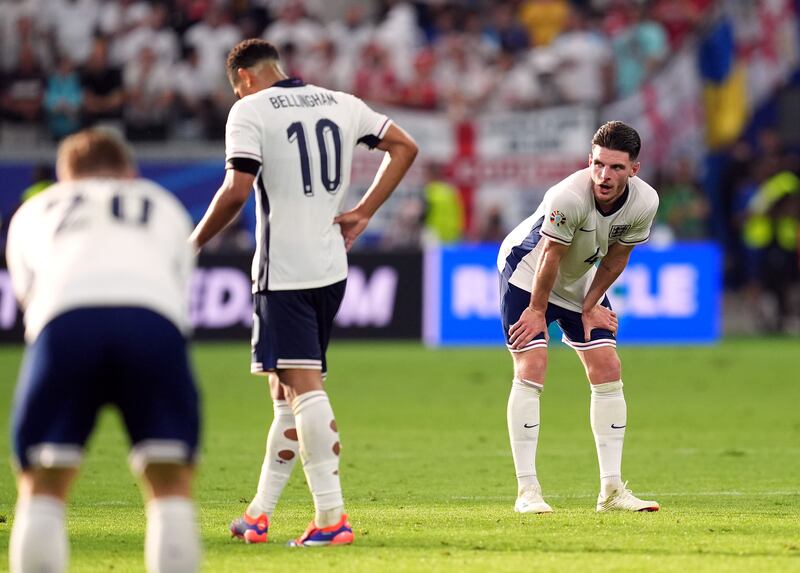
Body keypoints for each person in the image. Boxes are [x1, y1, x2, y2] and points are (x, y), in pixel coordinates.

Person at [190, 39, 418, 546]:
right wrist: (364, 211)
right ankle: (259, 513)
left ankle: (332, 518)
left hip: (283, 273)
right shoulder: (340, 101)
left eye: (235, 88)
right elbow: (405, 146)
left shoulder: (249, 110)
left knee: (305, 391)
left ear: (244, 78)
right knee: (284, 396)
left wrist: (192, 245)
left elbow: (235, 191)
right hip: (330, 267)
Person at [6, 128, 200, 572]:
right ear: (129, 172)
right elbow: (178, 284)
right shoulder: (162, 203)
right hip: (151, 322)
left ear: (64, 177)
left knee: (42, 482)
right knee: (169, 480)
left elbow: (28, 298)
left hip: (66, 321)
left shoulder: (36, 209)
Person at [497, 121, 660, 514]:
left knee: (607, 364)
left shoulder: (645, 202)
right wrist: (537, 312)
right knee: (533, 363)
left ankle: (612, 491)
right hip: (526, 272)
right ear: (590, 159)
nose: (605, 176)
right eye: (599, 164)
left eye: (617, 168)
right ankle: (528, 491)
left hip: (578, 277)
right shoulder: (568, 196)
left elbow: (618, 257)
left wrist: (591, 305)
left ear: (634, 170)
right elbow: (550, 255)